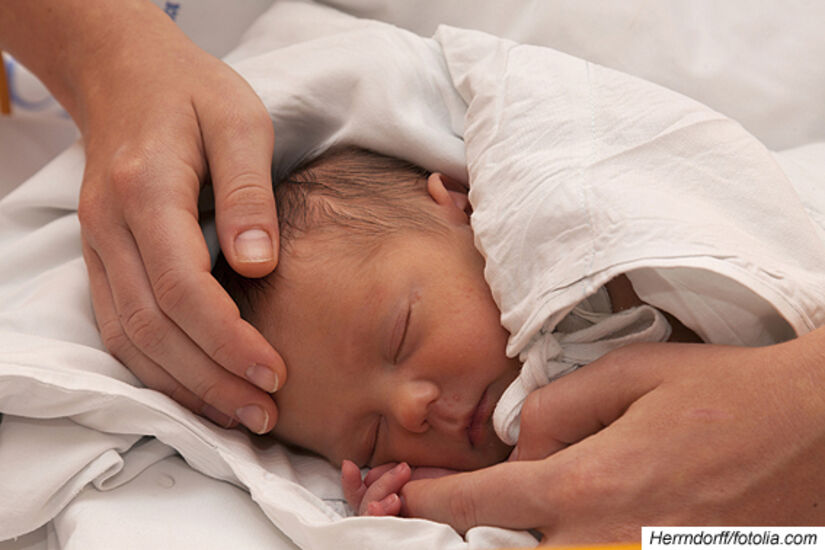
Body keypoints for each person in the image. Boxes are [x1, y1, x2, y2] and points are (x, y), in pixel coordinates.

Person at [3, 1, 825, 542]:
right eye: (369, 436)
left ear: (460, 204)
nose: (410, 407)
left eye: (399, 334)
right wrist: (412, 507)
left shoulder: (602, 256)